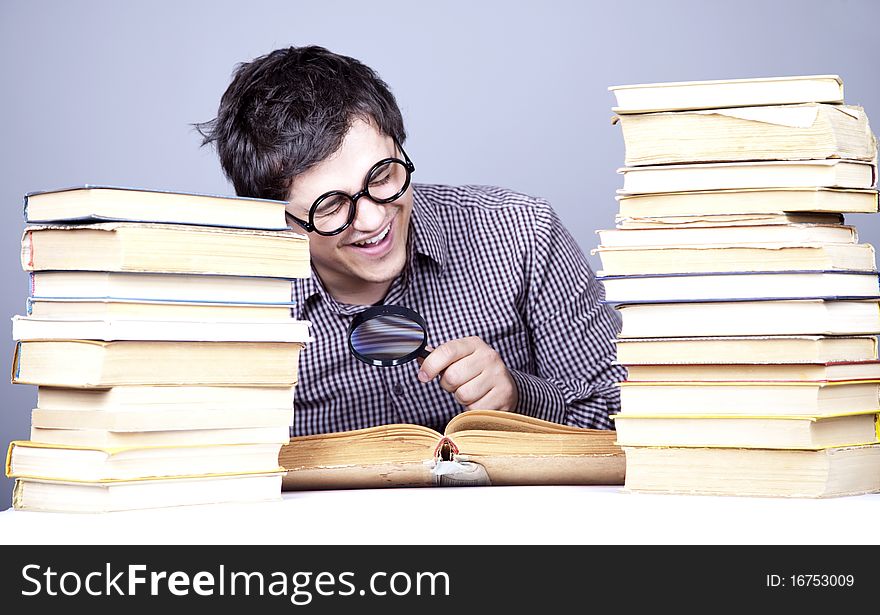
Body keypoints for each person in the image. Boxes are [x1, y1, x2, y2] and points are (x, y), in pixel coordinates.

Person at [196, 45, 626, 436]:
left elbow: (632, 415)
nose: (372, 218)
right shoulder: (231, 303)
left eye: (383, 176)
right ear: (280, 219)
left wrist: (520, 396)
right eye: (329, 207)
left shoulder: (524, 232)